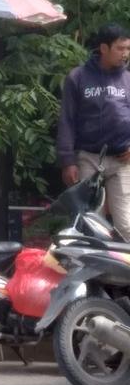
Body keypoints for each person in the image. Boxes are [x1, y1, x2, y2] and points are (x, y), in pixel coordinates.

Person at [57, 22, 130, 240]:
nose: (125, 54)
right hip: (88, 158)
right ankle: (93, 273)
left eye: (128, 49)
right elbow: (67, 120)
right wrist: (67, 161)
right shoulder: (77, 78)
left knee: (126, 223)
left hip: (122, 160)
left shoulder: (128, 80)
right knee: (89, 221)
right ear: (103, 48)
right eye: (120, 48)